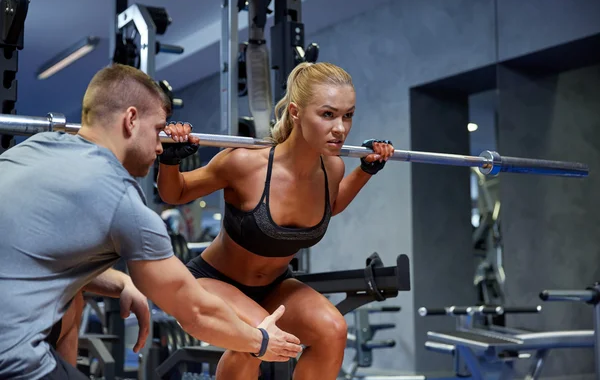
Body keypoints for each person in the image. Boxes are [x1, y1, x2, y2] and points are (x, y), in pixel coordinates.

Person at [0, 63, 302, 380]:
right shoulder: (117, 194)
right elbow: (194, 311)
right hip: (11, 363)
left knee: (72, 304)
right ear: (131, 120)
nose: (160, 146)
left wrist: (123, 282)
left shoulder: (31, 150)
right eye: (157, 130)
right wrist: (262, 341)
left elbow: (35, 262)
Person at [157, 61, 395, 380]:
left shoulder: (333, 169)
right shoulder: (245, 164)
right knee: (261, 337)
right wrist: (170, 159)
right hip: (210, 284)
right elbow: (176, 193)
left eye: (347, 115)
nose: (340, 128)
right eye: (328, 114)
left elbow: (330, 205)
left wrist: (365, 171)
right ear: (295, 112)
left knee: (332, 329)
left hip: (275, 286)